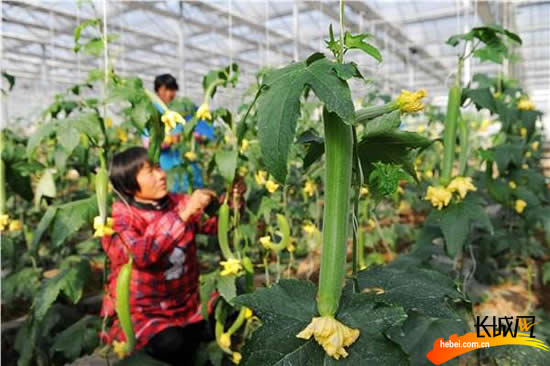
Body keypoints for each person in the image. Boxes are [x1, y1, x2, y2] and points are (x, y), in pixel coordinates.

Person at [99, 146, 219, 365]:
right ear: (128, 184)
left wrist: (232, 202)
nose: (162, 174)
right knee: (171, 343)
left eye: (158, 168)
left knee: (227, 311)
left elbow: (216, 226)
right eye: (150, 172)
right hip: (146, 312)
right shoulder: (120, 217)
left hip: (188, 304)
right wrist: (183, 215)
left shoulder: (177, 201)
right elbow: (141, 255)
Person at [144, 74, 205, 193]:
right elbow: (148, 144)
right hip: (167, 166)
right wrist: (170, 140)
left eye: (173, 89)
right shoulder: (151, 112)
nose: (170, 93)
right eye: (166, 89)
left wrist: (192, 137)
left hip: (188, 164)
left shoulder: (183, 109)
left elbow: (200, 133)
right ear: (158, 91)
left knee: (194, 194)